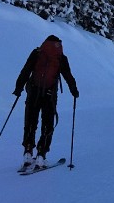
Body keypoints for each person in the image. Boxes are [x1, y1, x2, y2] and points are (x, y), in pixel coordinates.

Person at [13, 34, 80, 171]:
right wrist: (74, 90)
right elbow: (68, 75)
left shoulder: (37, 53)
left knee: (30, 122)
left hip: (33, 93)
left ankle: (27, 152)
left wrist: (18, 88)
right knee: (47, 124)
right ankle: (41, 156)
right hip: (49, 95)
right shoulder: (61, 58)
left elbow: (25, 70)